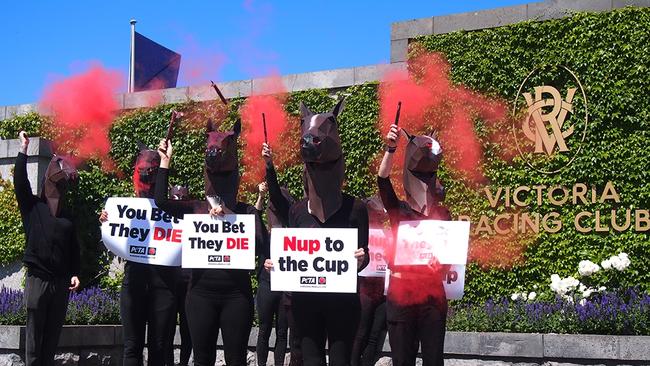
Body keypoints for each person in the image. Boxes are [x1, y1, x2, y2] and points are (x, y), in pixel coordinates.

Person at [154, 118, 270, 366]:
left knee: (235, 359)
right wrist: (165, 162)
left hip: (236, 297)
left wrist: (229, 214)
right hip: (199, 296)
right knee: (202, 359)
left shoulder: (246, 211)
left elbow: (264, 245)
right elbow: (161, 203)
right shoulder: (196, 208)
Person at [264, 100, 369, 366]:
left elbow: (365, 255)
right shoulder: (298, 210)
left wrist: (361, 257)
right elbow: (289, 252)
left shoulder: (356, 209)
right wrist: (273, 264)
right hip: (306, 305)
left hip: (342, 305)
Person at [99, 143, 179, 366]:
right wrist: (108, 222)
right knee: (132, 347)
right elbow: (116, 238)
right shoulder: (125, 208)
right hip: (135, 281)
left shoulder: (174, 208)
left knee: (158, 347)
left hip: (163, 284)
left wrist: (165, 162)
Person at [377, 124, 450, 366]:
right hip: (402, 294)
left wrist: (442, 261)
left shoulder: (443, 214)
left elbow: (449, 253)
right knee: (402, 360)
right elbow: (383, 180)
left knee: (433, 360)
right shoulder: (400, 211)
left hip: (432, 296)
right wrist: (391, 148)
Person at [14, 131, 81, 366]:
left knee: (52, 335)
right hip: (38, 279)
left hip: (60, 282)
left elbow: (74, 248)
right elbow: (20, 182)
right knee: (35, 335)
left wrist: (74, 272)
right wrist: (23, 149)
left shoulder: (68, 218)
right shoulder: (34, 207)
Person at [262, 143, 301, 366]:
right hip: (268, 286)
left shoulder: (296, 225)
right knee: (266, 331)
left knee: (286, 335)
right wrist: (269, 165)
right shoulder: (268, 230)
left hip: (289, 289)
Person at [253, 180, 289, 366]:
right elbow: (255, 216)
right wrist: (261, 196)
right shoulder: (265, 233)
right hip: (267, 285)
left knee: (282, 332)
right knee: (264, 330)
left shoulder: (295, 233)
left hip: (285, 288)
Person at [351, 197, 389, 366]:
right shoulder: (361, 236)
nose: (381, 218)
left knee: (374, 335)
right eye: (378, 214)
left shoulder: (389, 235)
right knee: (361, 333)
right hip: (365, 287)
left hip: (383, 289)